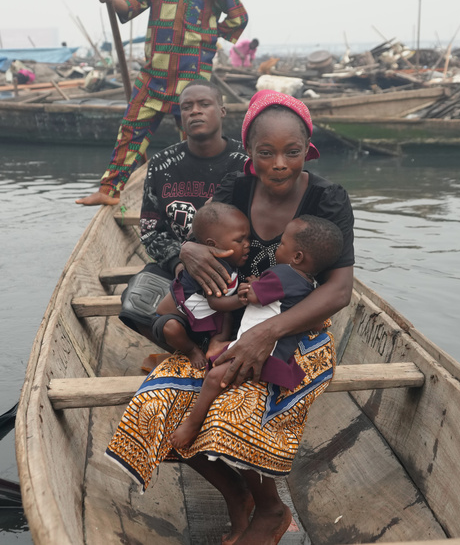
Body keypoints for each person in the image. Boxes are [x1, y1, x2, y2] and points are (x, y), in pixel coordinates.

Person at [106, 89, 355, 545]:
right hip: (231, 325)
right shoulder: (235, 187)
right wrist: (189, 249)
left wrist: (269, 333)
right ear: (250, 153)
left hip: (295, 334)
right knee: (157, 405)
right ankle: (236, 495)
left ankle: (272, 511)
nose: (279, 163)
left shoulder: (327, 199)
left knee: (228, 412)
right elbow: (203, 232)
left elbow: (339, 291)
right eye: (266, 152)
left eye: (292, 152)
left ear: (308, 150)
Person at [76, 0, 248, 206]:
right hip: (154, 74)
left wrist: (208, 35)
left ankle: (212, 199)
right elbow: (129, 6)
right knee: (130, 130)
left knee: (200, 142)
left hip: (193, 82)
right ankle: (109, 191)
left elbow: (239, 17)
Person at [169, 214, 344, 451]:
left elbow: (251, 296)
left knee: (212, 378)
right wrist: (259, 285)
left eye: (282, 244)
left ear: (297, 257)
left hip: (262, 355)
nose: (278, 248)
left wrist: (249, 286)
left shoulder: (281, 273)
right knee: (220, 355)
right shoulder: (309, 287)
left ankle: (192, 423)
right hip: (280, 356)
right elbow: (313, 322)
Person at [117, 83, 248, 355]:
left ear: (222, 111)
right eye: (186, 107)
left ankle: (223, 343)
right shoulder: (161, 164)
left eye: (204, 104)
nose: (195, 112)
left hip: (235, 264)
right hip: (178, 267)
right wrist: (180, 262)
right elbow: (151, 231)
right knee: (135, 306)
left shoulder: (244, 162)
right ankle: (188, 351)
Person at [155, 201, 250, 370]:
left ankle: (216, 342)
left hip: (205, 317)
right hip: (182, 319)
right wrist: (243, 299)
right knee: (170, 328)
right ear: (213, 245)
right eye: (239, 240)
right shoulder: (209, 268)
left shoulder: (229, 262)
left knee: (227, 314)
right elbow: (215, 303)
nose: (247, 244)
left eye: (248, 238)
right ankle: (192, 350)